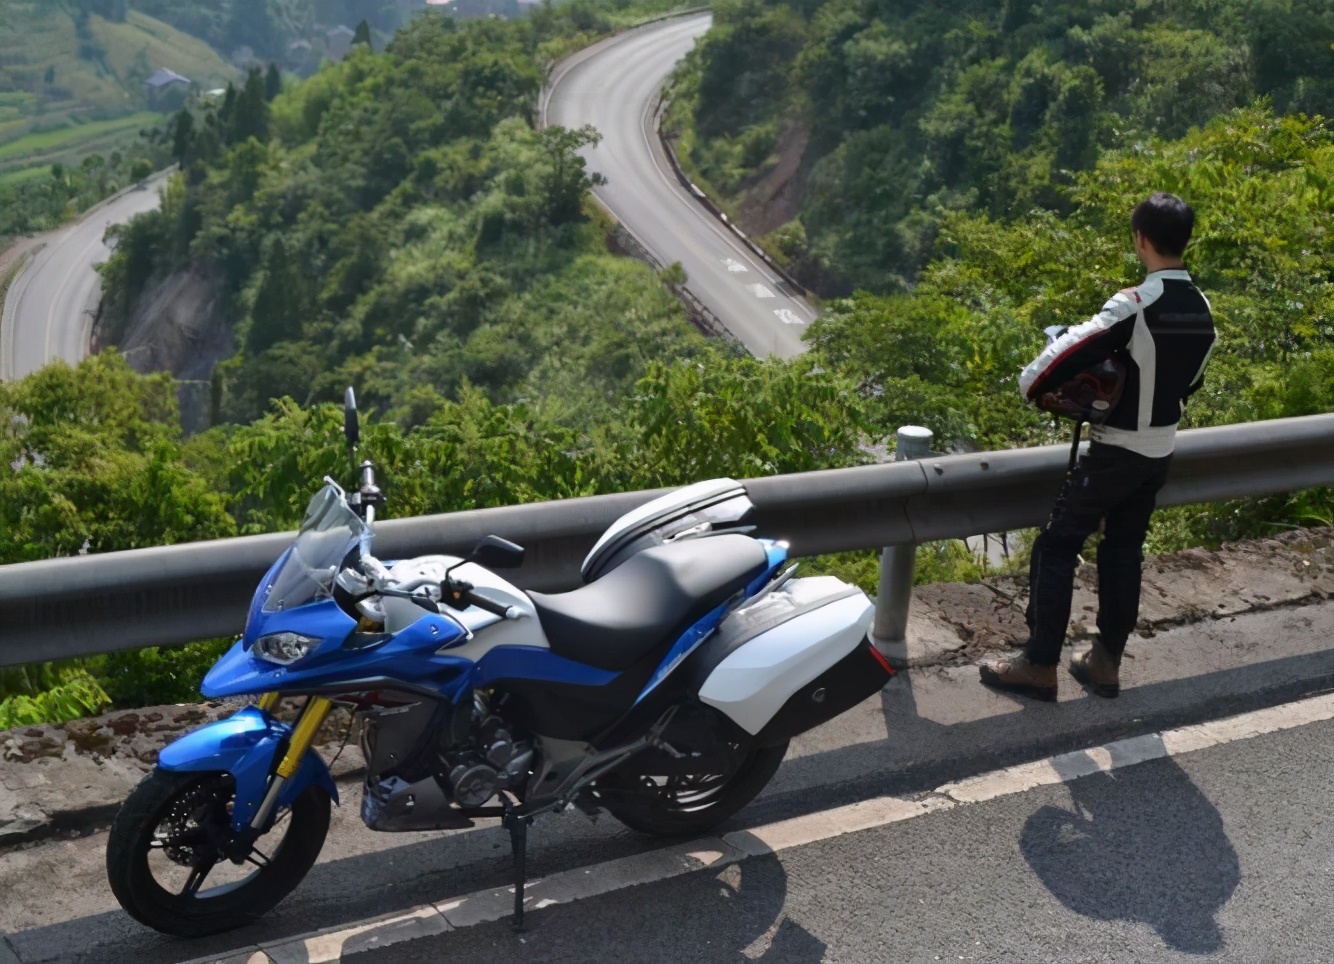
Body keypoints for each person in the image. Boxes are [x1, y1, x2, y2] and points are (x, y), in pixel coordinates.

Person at [979, 192, 1216, 702]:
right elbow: (1192, 381)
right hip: (1159, 450)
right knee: (1123, 548)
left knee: (1057, 544)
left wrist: (1029, 383)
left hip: (1116, 449)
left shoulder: (1134, 302)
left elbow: (1071, 348)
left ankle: (1039, 664)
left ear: (1140, 239)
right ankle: (1105, 662)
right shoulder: (1202, 308)